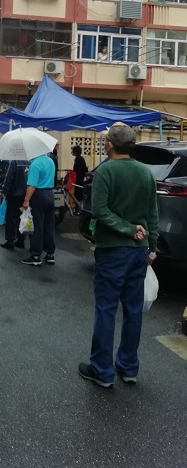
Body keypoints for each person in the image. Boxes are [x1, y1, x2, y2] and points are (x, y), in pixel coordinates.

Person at [78, 125, 159, 388]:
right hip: (139, 251)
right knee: (133, 310)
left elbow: (100, 211)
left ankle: (102, 370)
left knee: (106, 309)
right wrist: (152, 245)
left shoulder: (106, 171)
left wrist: (127, 229)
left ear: (110, 145)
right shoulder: (146, 173)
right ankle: (128, 367)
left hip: (113, 250)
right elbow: (152, 215)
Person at [21, 152, 56, 266]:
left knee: (37, 226)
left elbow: (32, 185)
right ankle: (50, 254)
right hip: (50, 194)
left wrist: (26, 200)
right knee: (48, 226)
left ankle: (35, 255)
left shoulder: (35, 164)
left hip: (39, 195)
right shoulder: (50, 161)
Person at [0, 160, 29, 250]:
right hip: (26, 194)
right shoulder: (29, 161)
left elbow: (9, 177)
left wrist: (4, 190)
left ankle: (10, 240)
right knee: (22, 218)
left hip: (14, 194)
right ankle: (21, 240)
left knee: (11, 218)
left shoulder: (14, 162)